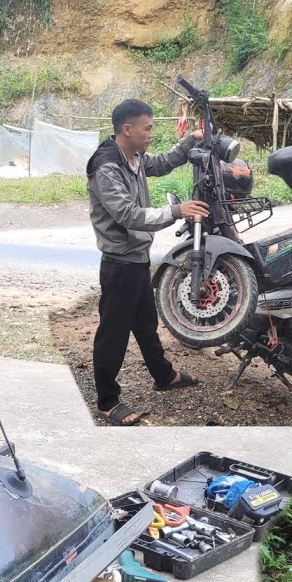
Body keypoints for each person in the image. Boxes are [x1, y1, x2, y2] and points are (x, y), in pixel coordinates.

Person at [86, 98, 207, 426]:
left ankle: (163, 376)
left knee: (145, 324)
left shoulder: (134, 155)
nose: (151, 133)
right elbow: (127, 214)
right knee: (113, 334)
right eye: (148, 128)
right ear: (127, 130)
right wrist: (176, 211)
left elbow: (162, 162)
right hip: (119, 263)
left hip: (136, 259)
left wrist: (187, 144)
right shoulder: (106, 167)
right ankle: (108, 402)